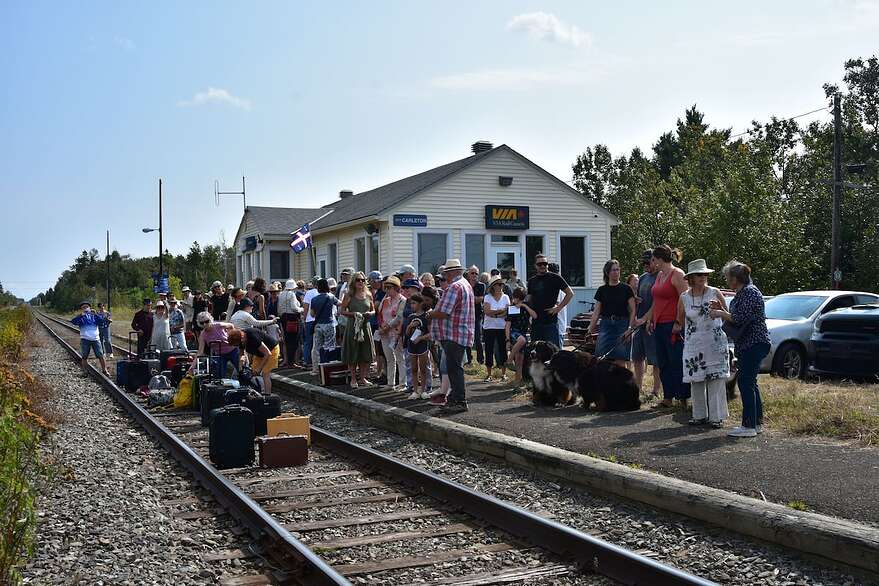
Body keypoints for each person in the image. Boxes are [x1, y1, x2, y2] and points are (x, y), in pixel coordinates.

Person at [710, 261, 771, 438]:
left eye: (728, 278)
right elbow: (738, 316)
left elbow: (738, 318)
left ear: (735, 279)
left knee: (745, 382)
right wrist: (722, 309)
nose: (727, 281)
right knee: (750, 382)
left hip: (754, 343)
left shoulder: (749, 292)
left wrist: (720, 313)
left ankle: (749, 425)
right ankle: (756, 423)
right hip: (749, 344)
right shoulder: (744, 292)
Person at [637, 245, 690, 408]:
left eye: (653, 259)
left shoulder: (677, 274)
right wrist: (649, 319)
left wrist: (678, 322)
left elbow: (685, 300)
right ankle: (668, 396)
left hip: (673, 325)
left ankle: (683, 397)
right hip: (659, 324)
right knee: (663, 362)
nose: (651, 263)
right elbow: (656, 302)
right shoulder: (660, 275)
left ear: (659, 259)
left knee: (676, 361)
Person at [679, 259, 730, 428]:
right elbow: (680, 320)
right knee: (696, 380)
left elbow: (728, 315)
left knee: (715, 379)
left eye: (705, 274)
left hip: (714, 344)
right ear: (691, 277)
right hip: (693, 345)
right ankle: (699, 415)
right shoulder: (684, 297)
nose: (703, 277)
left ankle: (716, 417)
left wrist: (720, 310)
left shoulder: (715, 292)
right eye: (699, 274)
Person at [427, 259, 475, 414]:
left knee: (454, 368)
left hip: (454, 333)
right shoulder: (465, 284)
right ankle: (455, 398)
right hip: (461, 332)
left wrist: (430, 314)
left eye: (446, 273)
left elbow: (444, 312)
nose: (445, 276)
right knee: (454, 367)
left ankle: (459, 401)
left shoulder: (455, 287)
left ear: (453, 272)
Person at [589, 260, 636, 368]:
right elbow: (596, 313)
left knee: (620, 359)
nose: (616, 272)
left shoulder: (626, 288)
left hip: (622, 325)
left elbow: (633, 310)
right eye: (613, 270)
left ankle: (621, 379)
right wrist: (590, 330)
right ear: (607, 272)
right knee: (601, 358)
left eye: (617, 270)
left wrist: (630, 328)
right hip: (606, 325)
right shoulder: (602, 290)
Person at [632, 251, 662, 396]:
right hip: (640, 323)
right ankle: (638, 388)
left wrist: (646, 318)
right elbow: (638, 298)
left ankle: (656, 389)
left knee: (655, 359)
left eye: (648, 262)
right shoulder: (643, 277)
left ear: (655, 261)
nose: (645, 265)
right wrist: (636, 300)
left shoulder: (661, 276)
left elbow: (658, 302)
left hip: (653, 323)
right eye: (643, 263)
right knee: (637, 357)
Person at [527, 254, 573, 347]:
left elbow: (570, 293)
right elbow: (529, 300)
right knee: (536, 351)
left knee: (553, 351)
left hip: (550, 323)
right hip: (536, 323)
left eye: (545, 263)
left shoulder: (555, 278)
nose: (542, 266)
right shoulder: (532, 281)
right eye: (539, 264)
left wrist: (558, 308)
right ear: (535, 266)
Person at [340, 271, 375, 387]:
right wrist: (354, 314)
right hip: (353, 327)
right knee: (353, 352)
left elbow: (373, 310)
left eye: (362, 280)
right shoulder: (349, 295)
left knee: (365, 352)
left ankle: (363, 378)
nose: (360, 282)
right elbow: (342, 311)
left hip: (365, 326)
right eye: (358, 280)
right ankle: (353, 379)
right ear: (353, 282)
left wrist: (370, 314)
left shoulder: (368, 294)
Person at [377, 276, 407, 389]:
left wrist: (387, 327)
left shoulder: (402, 300)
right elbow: (380, 314)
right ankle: (390, 382)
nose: (387, 290)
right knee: (389, 358)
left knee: (400, 357)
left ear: (396, 287)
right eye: (386, 287)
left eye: (389, 287)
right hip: (384, 332)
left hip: (395, 332)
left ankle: (403, 383)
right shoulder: (385, 300)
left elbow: (399, 317)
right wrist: (381, 326)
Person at [229, 327, 279, 393]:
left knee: (265, 373)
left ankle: (267, 395)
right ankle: (256, 391)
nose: (239, 345)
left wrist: (259, 368)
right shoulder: (240, 340)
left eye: (239, 343)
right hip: (259, 353)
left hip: (271, 350)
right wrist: (240, 368)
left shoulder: (253, 336)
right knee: (252, 372)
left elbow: (267, 353)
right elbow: (241, 355)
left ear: (242, 338)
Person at [192, 312, 237, 379]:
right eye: (202, 323)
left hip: (232, 350)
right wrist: (192, 366)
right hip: (220, 354)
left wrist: (232, 337)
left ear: (210, 320)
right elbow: (200, 351)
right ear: (199, 324)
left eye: (207, 321)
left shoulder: (218, 325)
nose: (205, 324)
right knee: (220, 376)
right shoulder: (203, 335)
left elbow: (231, 325)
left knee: (240, 369)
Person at [482, 275, 510, 382]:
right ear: (493, 286)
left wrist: (495, 314)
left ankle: (504, 374)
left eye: (502, 284)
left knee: (503, 350)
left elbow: (507, 312)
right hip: (489, 327)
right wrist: (500, 311)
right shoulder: (488, 297)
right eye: (498, 284)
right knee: (488, 350)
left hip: (502, 327)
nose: (501, 286)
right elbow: (487, 312)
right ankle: (489, 374)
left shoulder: (506, 297)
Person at [309, 279, 340, 374]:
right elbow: (340, 303)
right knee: (330, 346)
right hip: (329, 324)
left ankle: (316, 369)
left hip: (318, 325)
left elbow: (312, 314)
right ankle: (328, 368)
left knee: (317, 347)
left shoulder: (314, 299)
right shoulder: (331, 297)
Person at [404, 293, 431, 399]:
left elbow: (431, 333)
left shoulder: (426, 316)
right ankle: (415, 391)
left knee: (423, 369)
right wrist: (410, 326)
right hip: (412, 346)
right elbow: (407, 334)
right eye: (411, 303)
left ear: (420, 304)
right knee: (414, 368)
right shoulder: (411, 317)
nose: (412, 305)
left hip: (422, 345)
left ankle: (423, 390)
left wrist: (420, 338)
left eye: (414, 303)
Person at [71, 302, 110, 376]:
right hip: (85, 339)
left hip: (96, 339)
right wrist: (80, 315)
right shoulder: (81, 317)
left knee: (101, 355)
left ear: (90, 308)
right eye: (83, 307)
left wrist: (96, 314)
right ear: (81, 309)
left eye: (87, 307)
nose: (85, 308)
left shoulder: (94, 316)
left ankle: (104, 370)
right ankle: (85, 371)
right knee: (84, 356)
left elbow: (102, 321)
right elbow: (73, 321)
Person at [506, 288, 535, 384]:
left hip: (523, 332)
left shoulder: (527, 306)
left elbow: (535, 316)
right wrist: (507, 339)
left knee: (520, 359)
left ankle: (518, 381)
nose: (513, 300)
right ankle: (509, 360)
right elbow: (508, 325)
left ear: (518, 298)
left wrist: (524, 306)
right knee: (522, 340)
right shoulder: (512, 308)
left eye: (514, 298)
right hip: (514, 332)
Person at [278, 279, 303, 367]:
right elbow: (294, 308)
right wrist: (302, 309)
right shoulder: (292, 294)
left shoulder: (281, 294)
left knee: (287, 340)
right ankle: (292, 362)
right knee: (294, 340)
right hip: (292, 318)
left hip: (283, 318)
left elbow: (279, 308)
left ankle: (288, 361)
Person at [367, 271, 387, 384]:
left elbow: (376, 307)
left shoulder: (381, 292)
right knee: (379, 350)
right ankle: (380, 373)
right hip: (376, 323)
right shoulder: (378, 291)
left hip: (378, 323)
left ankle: (381, 373)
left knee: (380, 350)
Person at [465, 265, 485, 365]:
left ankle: (480, 359)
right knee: (467, 337)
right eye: (472, 273)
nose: (474, 275)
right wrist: (474, 298)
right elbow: (475, 299)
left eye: (476, 273)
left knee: (477, 338)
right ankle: (468, 359)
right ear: (468, 274)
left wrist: (467, 299)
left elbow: (480, 299)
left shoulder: (481, 285)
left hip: (477, 315)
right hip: (466, 315)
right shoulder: (464, 284)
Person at [548, 263, 568, 345]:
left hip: (557, 327)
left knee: (557, 351)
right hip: (557, 327)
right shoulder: (561, 286)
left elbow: (554, 305)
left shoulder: (557, 288)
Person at [302, 277, 320, 369]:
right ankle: (318, 362)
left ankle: (307, 361)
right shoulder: (322, 293)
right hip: (319, 320)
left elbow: (306, 307)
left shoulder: (309, 293)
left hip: (309, 320)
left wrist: (304, 318)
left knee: (308, 341)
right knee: (318, 342)